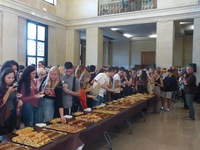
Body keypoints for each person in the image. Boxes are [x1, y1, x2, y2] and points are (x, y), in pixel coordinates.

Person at [0, 67, 23, 134]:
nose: (11, 80)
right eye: (9, 78)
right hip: (3, 113)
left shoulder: (12, 86)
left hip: (12, 111)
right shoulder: (1, 87)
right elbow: (1, 103)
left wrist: (19, 100)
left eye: (13, 78)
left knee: (11, 131)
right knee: (4, 133)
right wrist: (9, 92)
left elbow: (13, 98)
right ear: (3, 77)